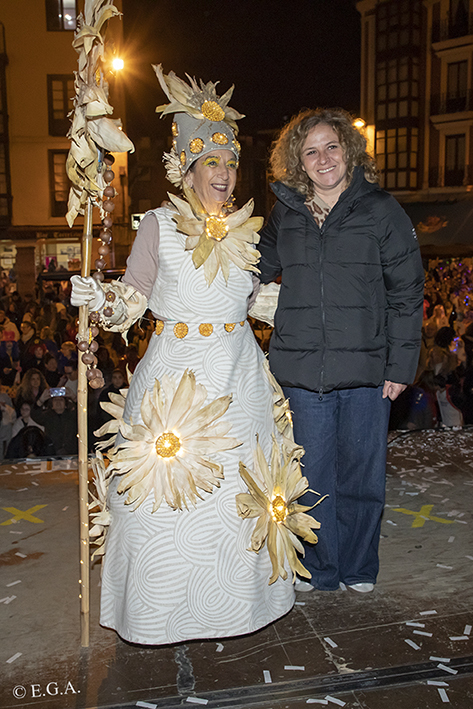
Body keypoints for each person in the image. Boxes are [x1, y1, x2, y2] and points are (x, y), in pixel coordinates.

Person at [71, 67, 302, 645]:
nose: (224, 174)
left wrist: (322, 302)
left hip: (241, 381)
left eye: (231, 163)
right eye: (211, 163)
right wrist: (99, 297)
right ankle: (159, 614)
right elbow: (133, 298)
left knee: (239, 495)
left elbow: (255, 300)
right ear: (188, 168)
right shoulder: (158, 226)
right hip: (175, 381)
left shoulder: (248, 230)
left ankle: (239, 608)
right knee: (160, 498)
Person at [257, 108, 424, 593]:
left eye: (331, 146)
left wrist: (401, 365)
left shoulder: (381, 209)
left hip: (368, 370)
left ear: (348, 150)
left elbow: (407, 291)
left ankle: (358, 567)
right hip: (301, 370)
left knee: (362, 477)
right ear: (298, 160)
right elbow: (250, 269)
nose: (323, 158)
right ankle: (319, 566)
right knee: (310, 477)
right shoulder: (285, 213)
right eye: (311, 151)